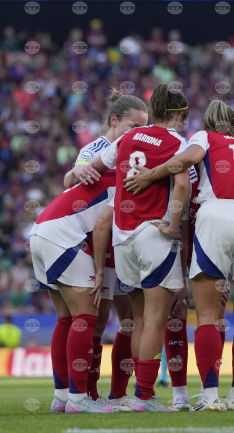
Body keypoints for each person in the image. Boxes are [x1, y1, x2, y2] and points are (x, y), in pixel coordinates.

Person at [123, 99, 234, 412]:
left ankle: (210, 396)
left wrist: (150, 174)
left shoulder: (204, 137)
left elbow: (186, 160)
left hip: (217, 214)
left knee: (207, 316)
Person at [90, 83, 192, 412]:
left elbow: (97, 166)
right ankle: (145, 396)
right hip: (153, 234)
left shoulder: (127, 137)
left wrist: (75, 173)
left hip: (122, 236)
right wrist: (173, 224)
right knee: (155, 321)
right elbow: (181, 184)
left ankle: (140, 394)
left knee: (136, 318)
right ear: (178, 115)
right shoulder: (176, 142)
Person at [64, 90, 148, 410]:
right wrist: (74, 174)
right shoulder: (93, 150)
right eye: (132, 126)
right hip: (97, 245)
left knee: (130, 321)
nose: (137, 132)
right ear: (114, 121)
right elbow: (74, 186)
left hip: (126, 243)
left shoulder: (138, 152)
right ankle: (88, 394)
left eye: (143, 127)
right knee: (97, 323)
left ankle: (119, 393)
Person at [31, 147, 122, 413]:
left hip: (41, 230)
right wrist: (100, 271)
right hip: (63, 235)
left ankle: (62, 398)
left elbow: (71, 182)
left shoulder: (104, 170)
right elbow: (102, 225)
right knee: (86, 317)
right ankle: (79, 400)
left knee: (66, 318)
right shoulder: (126, 180)